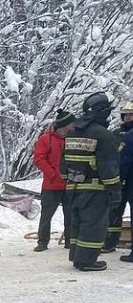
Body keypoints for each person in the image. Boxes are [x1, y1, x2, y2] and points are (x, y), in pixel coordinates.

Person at [59, 92, 122, 271]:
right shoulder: (102, 135)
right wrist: (115, 190)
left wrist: (69, 181)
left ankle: (77, 257)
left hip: (73, 187)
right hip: (95, 189)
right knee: (94, 224)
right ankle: (87, 261)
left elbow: (63, 163)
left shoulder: (72, 134)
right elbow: (108, 167)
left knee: (77, 222)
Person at [32, 109, 76, 252]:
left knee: (71, 214)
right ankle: (42, 242)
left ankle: (70, 241)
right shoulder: (45, 139)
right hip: (51, 185)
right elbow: (39, 159)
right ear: (65, 125)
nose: (74, 126)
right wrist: (52, 174)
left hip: (69, 184)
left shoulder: (72, 139)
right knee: (46, 215)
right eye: (71, 124)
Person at [103, 101, 133, 254]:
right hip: (118, 178)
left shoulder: (129, 136)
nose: (128, 117)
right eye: (126, 114)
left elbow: (125, 160)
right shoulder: (116, 133)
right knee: (114, 212)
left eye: (131, 114)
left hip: (127, 179)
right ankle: (109, 242)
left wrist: (120, 179)